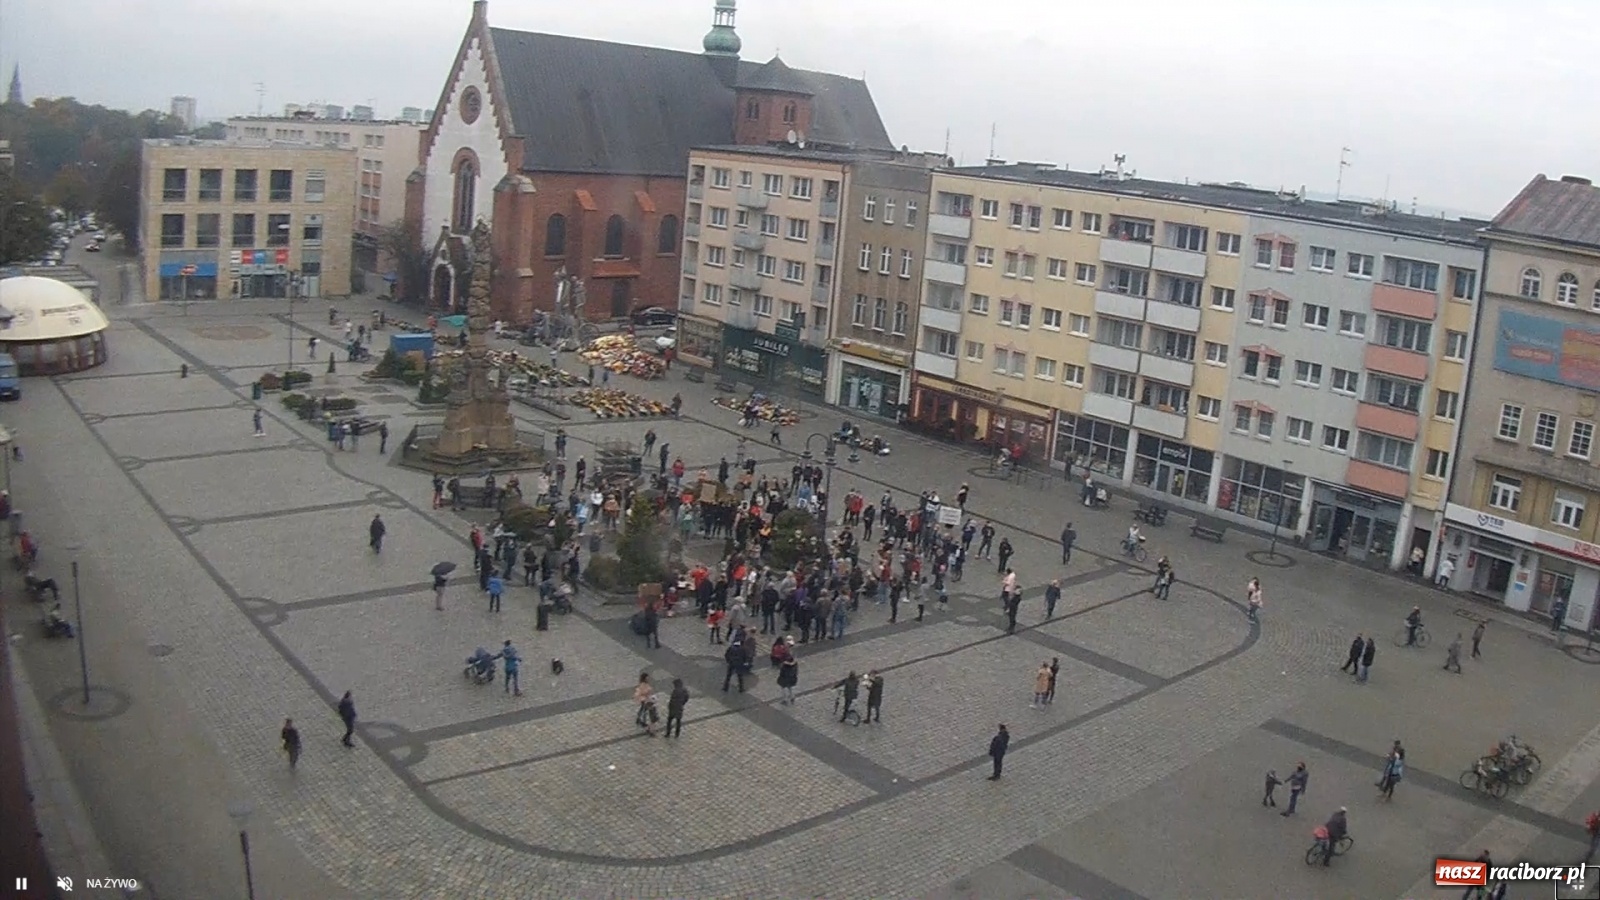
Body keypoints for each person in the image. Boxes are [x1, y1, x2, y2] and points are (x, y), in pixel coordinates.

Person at [633, 671, 658, 736]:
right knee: (644, 710)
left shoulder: (645, 684)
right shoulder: (642, 685)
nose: (648, 679)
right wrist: (648, 692)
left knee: (642, 709)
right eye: (647, 678)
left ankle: (639, 719)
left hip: (646, 699)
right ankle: (643, 722)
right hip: (645, 700)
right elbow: (643, 692)